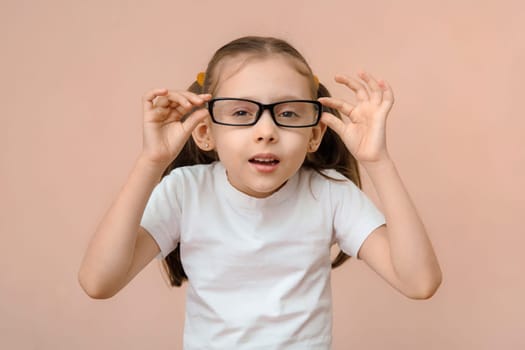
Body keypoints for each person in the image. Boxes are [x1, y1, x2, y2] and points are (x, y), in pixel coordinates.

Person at [78, 36, 442, 349]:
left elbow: (420, 282)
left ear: (314, 134)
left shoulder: (331, 195)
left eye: (288, 113)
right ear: (205, 132)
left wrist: (378, 161)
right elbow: (99, 282)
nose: (266, 131)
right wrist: (150, 162)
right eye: (240, 112)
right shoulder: (185, 192)